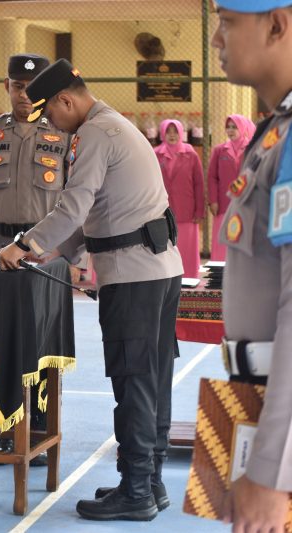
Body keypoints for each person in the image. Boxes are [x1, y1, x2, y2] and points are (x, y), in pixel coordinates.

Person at [0, 59, 183, 521]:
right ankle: (149, 482)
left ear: (66, 100)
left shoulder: (96, 134)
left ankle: (137, 490)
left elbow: (74, 204)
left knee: (134, 380)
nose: (50, 125)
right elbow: (99, 212)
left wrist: (24, 245)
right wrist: (56, 252)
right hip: (157, 270)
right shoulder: (115, 125)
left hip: (133, 275)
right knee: (153, 379)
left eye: (50, 114)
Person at [0, 54, 72, 464]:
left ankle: (39, 426)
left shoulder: (65, 133)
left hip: (45, 254)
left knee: (42, 345)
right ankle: (9, 426)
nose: (24, 94)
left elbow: (78, 198)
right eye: (18, 86)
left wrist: (73, 256)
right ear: (6, 86)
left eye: (32, 85)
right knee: (0, 343)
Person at [212, 2, 292, 531]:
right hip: (258, 401)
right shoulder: (273, 134)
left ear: (278, 24)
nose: (216, 38)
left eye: (227, 21)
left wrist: (271, 472)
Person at [154, 119, 204, 278]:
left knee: (187, 247)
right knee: (165, 248)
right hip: (162, 211)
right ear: (162, 133)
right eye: (168, 131)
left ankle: (189, 277)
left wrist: (199, 210)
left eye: (175, 131)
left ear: (181, 133)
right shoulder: (155, 154)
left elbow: (199, 184)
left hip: (186, 210)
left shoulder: (191, 154)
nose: (172, 135)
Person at [206, 114, 256, 261]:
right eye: (228, 127)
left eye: (234, 127)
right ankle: (219, 272)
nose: (230, 130)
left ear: (242, 128)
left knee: (243, 235)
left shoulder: (252, 149)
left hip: (245, 201)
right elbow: (212, 177)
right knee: (222, 238)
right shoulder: (219, 150)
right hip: (223, 202)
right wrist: (213, 200)